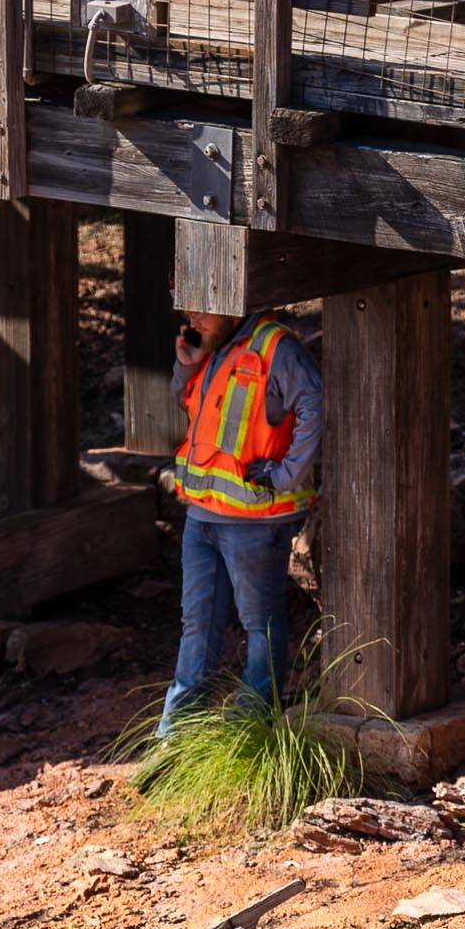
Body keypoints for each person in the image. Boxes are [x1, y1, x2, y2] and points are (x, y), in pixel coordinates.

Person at [159, 302, 323, 736]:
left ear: (232, 301)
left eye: (202, 308)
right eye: (187, 306)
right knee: (196, 624)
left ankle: (250, 727)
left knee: (260, 626)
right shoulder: (214, 345)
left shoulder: (276, 347)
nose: (192, 317)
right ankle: (177, 736)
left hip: (255, 521)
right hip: (203, 516)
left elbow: (315, 402)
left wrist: (288, 474)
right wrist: (187, 366)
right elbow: (190, 407)